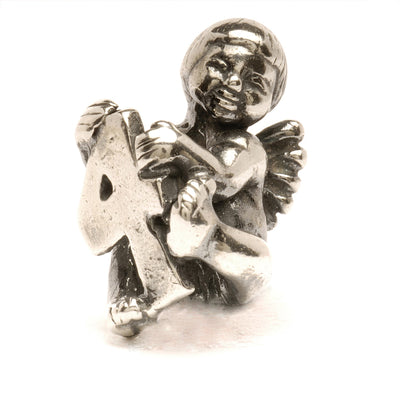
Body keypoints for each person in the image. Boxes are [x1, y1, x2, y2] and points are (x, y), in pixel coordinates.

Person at [136, 19, 288, 304]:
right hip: (173, 264)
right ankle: (135, 299)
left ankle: (205, 237)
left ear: (271, 100)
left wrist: (178, 146)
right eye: (220, 66)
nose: (234, 82)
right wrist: (92, 143)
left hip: (234, 272)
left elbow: (223, 178)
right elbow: (124, 184)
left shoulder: (247, 147)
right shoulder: (170, 138)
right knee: (134, 224)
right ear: (189, 67)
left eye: (256, 81)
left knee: (260, 261)